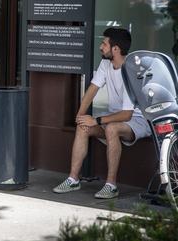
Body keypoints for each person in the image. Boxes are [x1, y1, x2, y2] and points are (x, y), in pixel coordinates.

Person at [52, 27, 151, 199]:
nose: (100, 46)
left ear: (116, 49)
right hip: (114, 117)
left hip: (138, 120)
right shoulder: (106, 63)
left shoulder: (131, 71)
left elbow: (127, 114)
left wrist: (96, 120)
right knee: (84, 127)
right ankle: (73, 179)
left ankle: (111, 185)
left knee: (112, 128)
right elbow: (92, 90)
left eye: (104, 43)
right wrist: (80, 115)